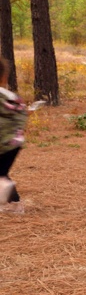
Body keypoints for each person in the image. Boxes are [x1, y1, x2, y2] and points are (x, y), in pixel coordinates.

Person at [0, 57, 28, 213]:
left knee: (1, 174)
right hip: (14, 143)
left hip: (3, 144)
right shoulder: (11, 96)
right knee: (1, 173)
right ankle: (13, 203)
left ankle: (15, 204)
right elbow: (22, 114)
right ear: (4, 77)